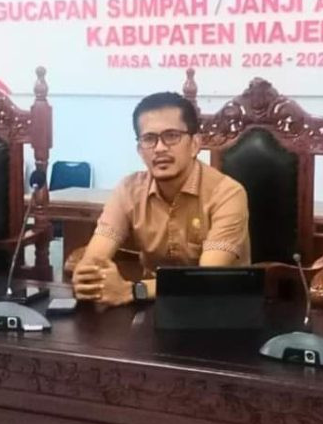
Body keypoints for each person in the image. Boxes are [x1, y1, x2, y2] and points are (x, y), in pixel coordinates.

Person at [72, 92, 250, 307]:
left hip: (218, 308)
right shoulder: (129, 190)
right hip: (152, 305)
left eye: (172, 136)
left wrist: (133, 290)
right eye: (149, 139)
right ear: (140, 150)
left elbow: (206, 280)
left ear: (195, 144)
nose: (160, 148)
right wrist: (88, 277)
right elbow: (95, 259)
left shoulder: (227, 194)